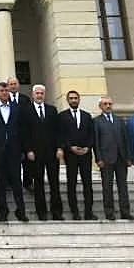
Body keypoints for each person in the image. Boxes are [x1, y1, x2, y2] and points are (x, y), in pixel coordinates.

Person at [0, 82, 28, 221]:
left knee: (17, 181)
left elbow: (22, 129)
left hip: (14, 150)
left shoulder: (17, 108)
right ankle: (3, 211)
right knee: (1, 182)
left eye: (6, 90)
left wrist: (23, 149)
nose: (4, 92)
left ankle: (21, 210)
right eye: (1, 90)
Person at [23, 84, 63, 220]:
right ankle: (42, 213)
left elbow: (58, 131)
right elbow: (25, 133)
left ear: (44, 95)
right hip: (35, 154)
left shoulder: (52, 110)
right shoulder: (27, 111)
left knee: (54, 183)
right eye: (37, 93)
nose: (39, 95)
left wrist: (59, 148)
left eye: (41, 93)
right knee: (38, 183)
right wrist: (28, 150)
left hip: (52, 153)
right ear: (33, 95)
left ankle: (57, 212)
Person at [58, 89, 95, 220]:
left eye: (76, 98)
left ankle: (88, 212)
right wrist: (69, 147)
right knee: (71, 183)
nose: (74, 100)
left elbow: (92, 134)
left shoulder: (86, 116)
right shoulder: (62, 116)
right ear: (68, 100)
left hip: (85, 154)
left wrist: (88, 147)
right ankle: (75, 212)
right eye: (71, 98)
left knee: (87, 183)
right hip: (71, 155)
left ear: (79, 100)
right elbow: (61, 134)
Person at [94, 95, 133, 220]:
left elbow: (126, 139)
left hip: (121, 159)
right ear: (100, 106)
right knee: (107, 187)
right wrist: (98, 158)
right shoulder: (96, 121)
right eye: (105, 104)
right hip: (106, 160)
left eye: (110, 104)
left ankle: (125, 211)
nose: (108, 106)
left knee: (123, 186)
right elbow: (96, 142)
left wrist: (128, 157)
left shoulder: (119, 120)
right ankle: (109, 212)